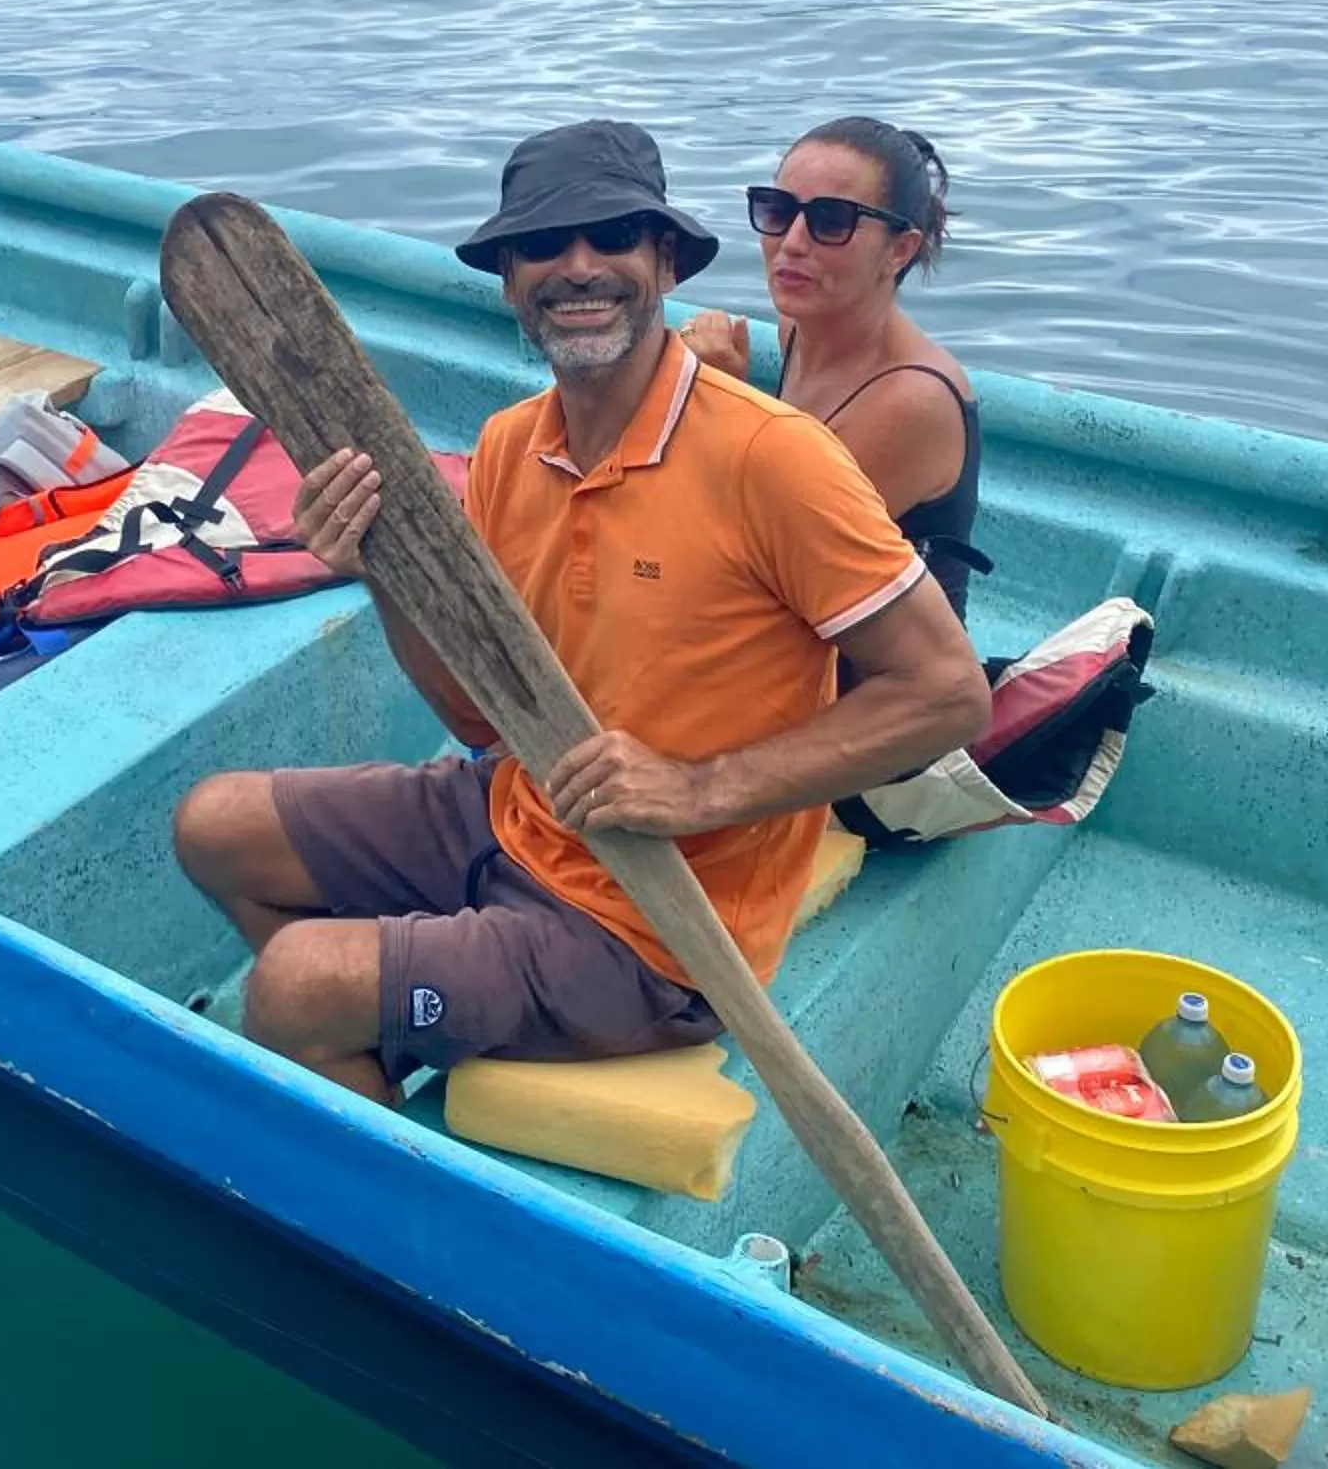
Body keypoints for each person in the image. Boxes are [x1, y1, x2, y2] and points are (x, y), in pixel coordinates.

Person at [171, 120, 988, 1103]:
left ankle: (376, 1096)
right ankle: (376, 1058)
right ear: (511, 281)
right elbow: (483, 719)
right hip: (528, 808)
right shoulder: (513, 447)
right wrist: (379, 569)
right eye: (543, 246)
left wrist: (702, 789)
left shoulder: (775, 458)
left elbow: (946, 695)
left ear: (665, 263)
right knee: (214, 826)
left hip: (666, 917)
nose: (579, 266)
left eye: (611, 238)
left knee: (297, 985)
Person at [682, 119, 984, 616]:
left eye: (831, 221)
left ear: (899, 250)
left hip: (869, 676)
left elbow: (749, 562)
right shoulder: (796, 328)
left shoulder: (911, 402)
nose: (793, 242)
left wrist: (715, 398)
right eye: (778, 210)